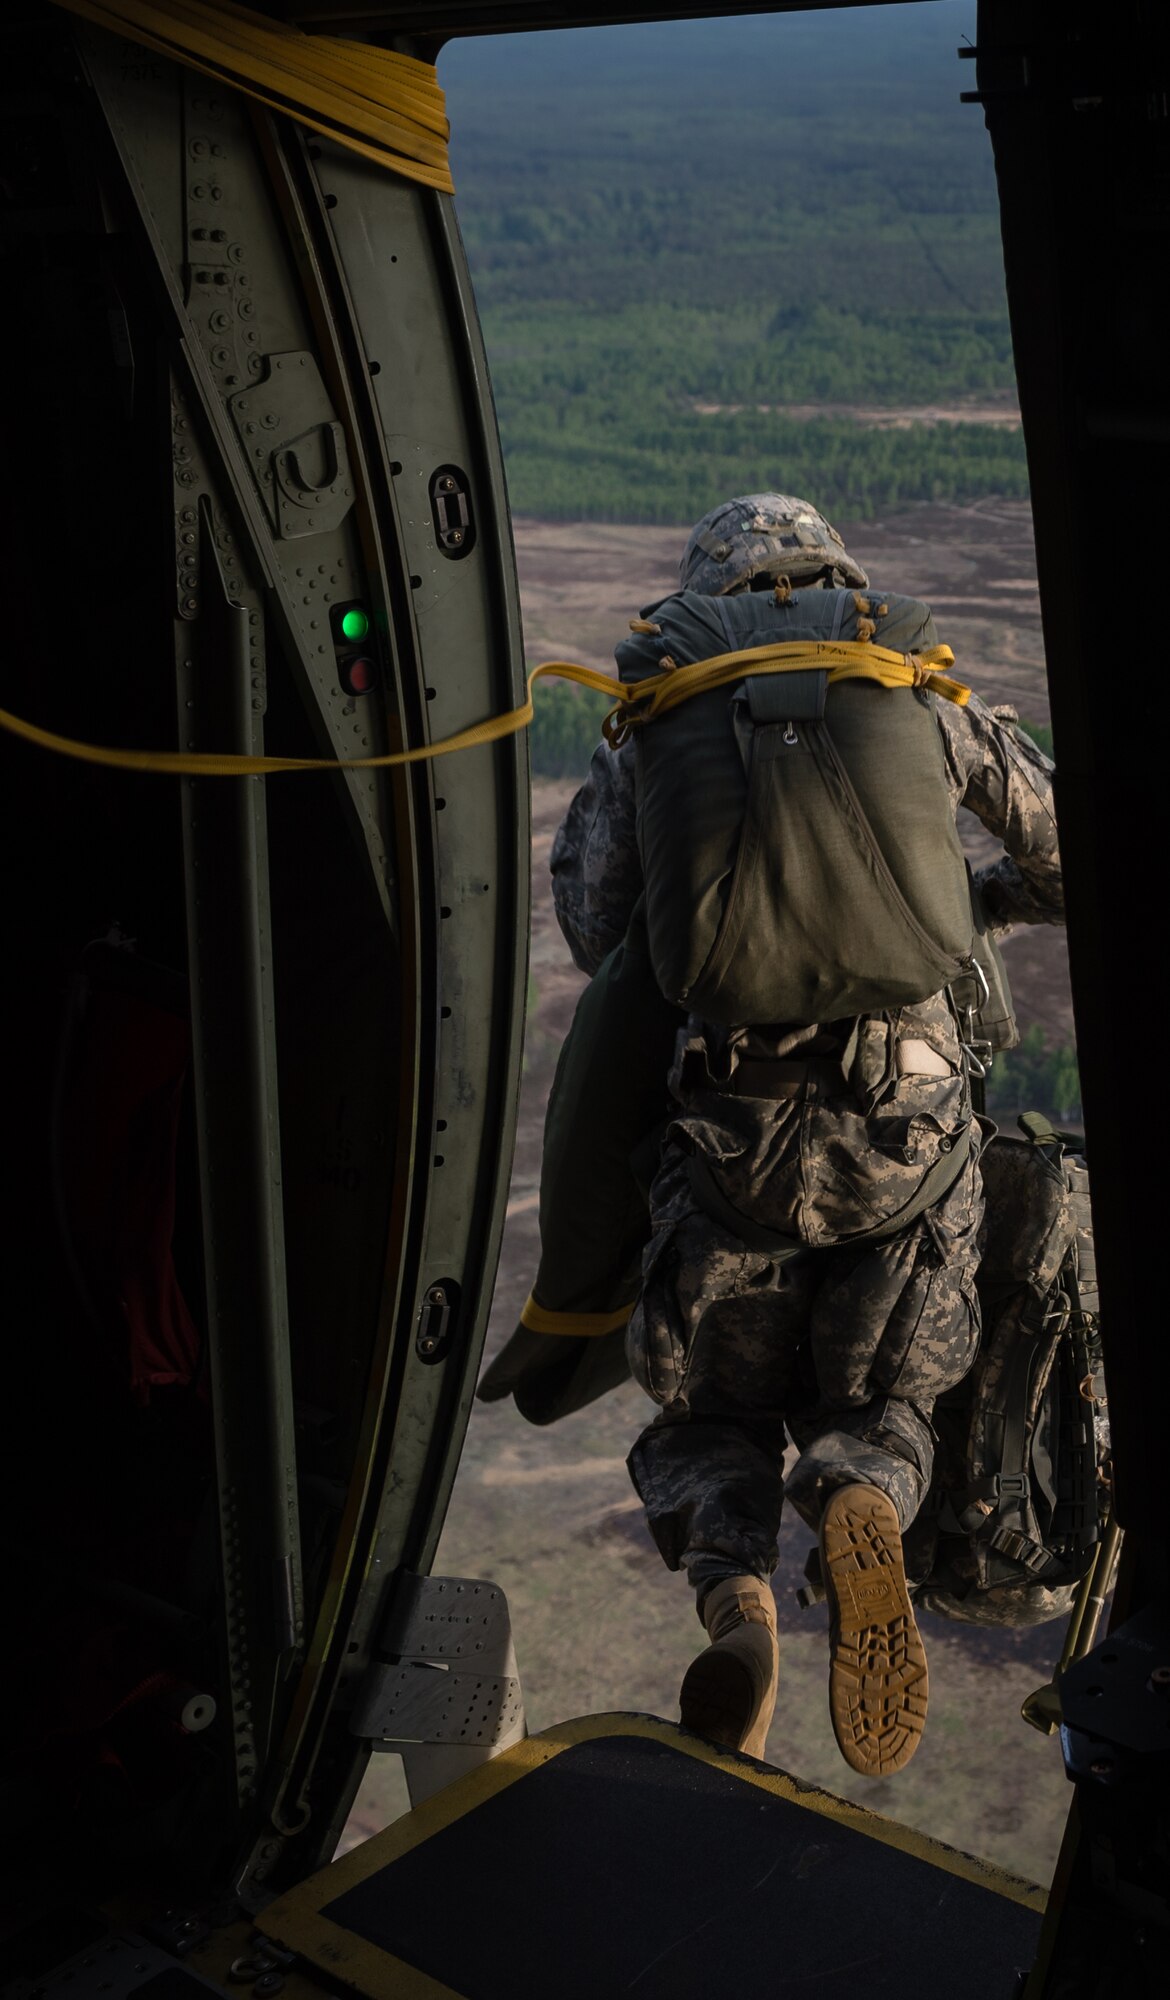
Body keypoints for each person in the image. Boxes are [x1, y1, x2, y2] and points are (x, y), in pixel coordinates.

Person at [548, 493, 1063, 1777]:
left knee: (711, 1407)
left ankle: (740, 1607)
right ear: (836, 575)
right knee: (889, 1393)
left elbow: (603, 935)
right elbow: (1064, 860)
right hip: (909, 1135)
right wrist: (965, 912)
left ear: (712, 590)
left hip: (735, 1145)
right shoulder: (916, 690)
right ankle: (857, 1499)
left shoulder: (657, 724)